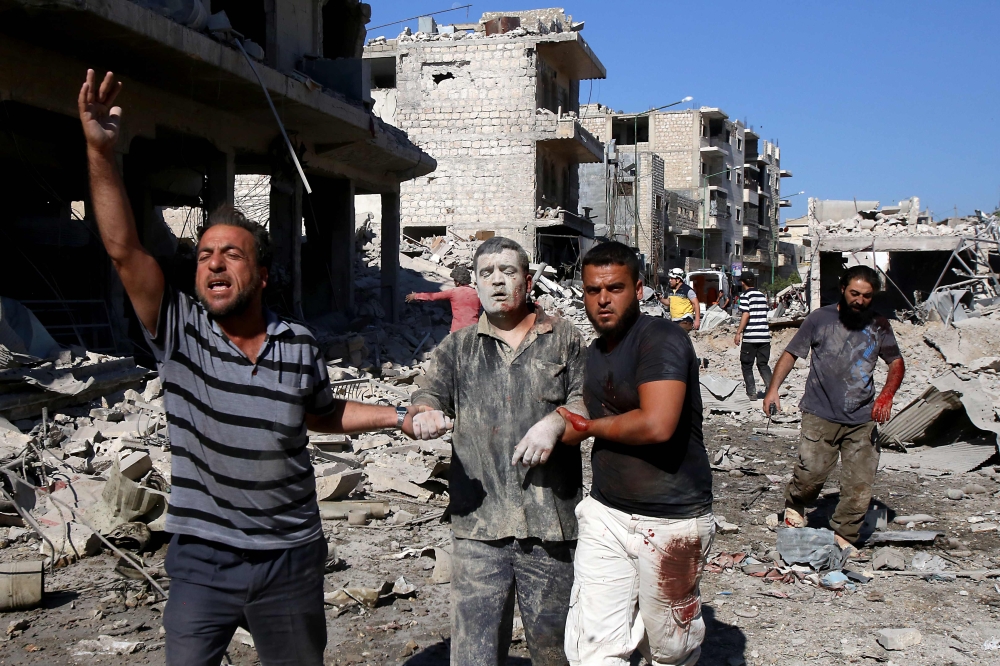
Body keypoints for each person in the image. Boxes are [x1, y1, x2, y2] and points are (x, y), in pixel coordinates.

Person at [78, 69, 448, 666]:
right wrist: (100, 152)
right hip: (203, 557)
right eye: (204, 255)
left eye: (232, 254)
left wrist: (399, 416)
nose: (213, 264)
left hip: (290, 557)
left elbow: (320, 414)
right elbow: (124, 250)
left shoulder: (298, 342)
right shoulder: (180, 331)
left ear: (263, 275)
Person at [409, 236, 588, 666]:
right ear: (475, 283)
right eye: (486, 273)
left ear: (527, 280)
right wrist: (425, 413)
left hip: (551, 527)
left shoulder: (563, 338)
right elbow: (427, 396)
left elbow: (589, 401)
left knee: (556, 653)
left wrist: (557, 421)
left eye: (508, 271)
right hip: (478, 528)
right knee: (475, 654)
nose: (497, 281)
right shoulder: (458, 348)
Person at [559, 241, 714, 666]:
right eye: (593, 290)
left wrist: (588, 429)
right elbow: (589, 411)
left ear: (639, 289)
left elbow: (656, 424)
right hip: (607, 515)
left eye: (615, 288)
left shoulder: (661, 338)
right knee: (592, 648)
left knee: (669, 652)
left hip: (672, 520)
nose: (603, 300)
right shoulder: (595, 353)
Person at [763, 265, 904, 554]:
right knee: (810, 475)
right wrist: (773, 389)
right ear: (842, 289)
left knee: (860, 483)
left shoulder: (879, 325)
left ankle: (844, 533)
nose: (860, 301)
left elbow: (896, 362)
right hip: (819, 413)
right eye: (854, 293)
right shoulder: (820, 319)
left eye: (866, 296)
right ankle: (796, 503)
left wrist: (887, 395)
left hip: (862, 418)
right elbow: (791, 354)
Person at [405, 265, 481, 332]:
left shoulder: (453, 292)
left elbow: (432, 296)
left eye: (454, 281)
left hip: (457, 331)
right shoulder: (477, 294)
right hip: (473, 331)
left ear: (458, 282)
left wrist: (416, 296)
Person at [734, 273, 772, 400]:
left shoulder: (745, 296)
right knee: (763, 364)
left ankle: (752, 393)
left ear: (743, 282)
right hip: (764, 336)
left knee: (746, 365)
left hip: (751, 337)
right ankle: (772, 389)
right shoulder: (762, 296)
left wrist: (738, 332)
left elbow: (746, 314)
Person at [660, 267, 700, 332]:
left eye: (672, 278)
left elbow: (696, 303)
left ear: (678, 280)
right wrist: (660, 298)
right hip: (674, 321)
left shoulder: (687, 290)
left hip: (685, 321)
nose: (670, 280)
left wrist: (697, 320)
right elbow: (668, 302)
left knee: (676, 333)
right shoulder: (671, 290)